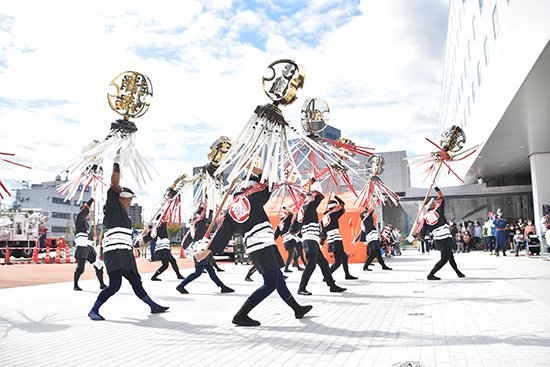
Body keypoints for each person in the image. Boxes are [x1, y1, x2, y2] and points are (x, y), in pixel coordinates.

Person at [207, 170, 312, 326]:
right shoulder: (250, 197)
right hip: (263, 244)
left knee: (278, 279)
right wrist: (269, 171)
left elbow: (223, 231)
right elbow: (267, 187)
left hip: (258, 246)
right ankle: (241, 315)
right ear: (252, 187)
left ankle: (297, 309)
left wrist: (208, 249)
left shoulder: (232, 208)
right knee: (270, 284)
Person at [87, 155, 168, 321]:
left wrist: (149, 238)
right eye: (129, 199)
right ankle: (93, 310)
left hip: (125, 253)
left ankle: (152, 306)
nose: (130, 202)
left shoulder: (126, 218)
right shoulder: (112, 207)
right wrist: (117, 162)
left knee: (136, 281)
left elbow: (133, 242)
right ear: (121, 198)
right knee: (114, 286)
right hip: (114, 253)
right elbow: (114, 184)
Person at [296, 177, 347, 296]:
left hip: (310, 240)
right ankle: (301, 288)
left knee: (323, 263)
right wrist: (314, 181)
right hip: (310, 240)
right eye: (310, 195)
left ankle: (332, 285)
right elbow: (319, 194)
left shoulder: (302, 209)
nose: (313, 197)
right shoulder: (308, 207)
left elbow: (295, 227)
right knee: (311, 265)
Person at [415, 186, 465, 280]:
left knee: (450, 256)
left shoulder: (425, 218)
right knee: (444, 259)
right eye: (433, 203)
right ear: (431, 206)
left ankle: (458, 273)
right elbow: (441, 197)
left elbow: (420, 232)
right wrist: (436, 188)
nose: (435, 202)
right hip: (444, 239)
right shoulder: (438, 210)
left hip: (440, 239)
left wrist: (413, 236)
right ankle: (431, 275)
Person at [73, 197, 106, 291]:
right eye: (88, 212)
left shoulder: (86, 223)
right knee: (80, 268)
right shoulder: (78, 220)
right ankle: (75, 285)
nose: (89, 213)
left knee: (98, 264)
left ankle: (102, 284)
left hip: (89, 247)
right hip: (81, 247)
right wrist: (91, 200)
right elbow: (84, 209)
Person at [320, 195, 357, 280]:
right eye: (336, 206)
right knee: (338, 261)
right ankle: (327, 276)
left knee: (344, 257)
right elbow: (342, 205)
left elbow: (323, 234)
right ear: (333, 208)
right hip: (335, 239)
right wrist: (335, 197)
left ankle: (347, 275)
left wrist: (322, 242)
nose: (338, 208)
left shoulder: (323, 219)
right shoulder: (333, 214)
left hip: (331, 240)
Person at [356, 207, 392, 271]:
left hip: (374, 237)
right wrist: (371, 205)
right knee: (373, 252)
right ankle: (365, 267)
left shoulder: (368, 220)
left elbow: (371, 212)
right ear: (363, 215)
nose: (367, 214)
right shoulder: (365, 220)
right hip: (370, 238)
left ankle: (383, 266)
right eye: (365, 213)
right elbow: (371, 211)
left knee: (378, 252)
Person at [274, 207, 299, 272]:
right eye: (285, 213)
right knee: (291, 254)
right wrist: (286, 209)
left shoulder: (280, 224)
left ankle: (296, 266)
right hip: (289, 239)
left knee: (294, 254)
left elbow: (276, 235)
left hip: (287, 240)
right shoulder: (286, 221)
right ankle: (286, 268)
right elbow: (291, 214)